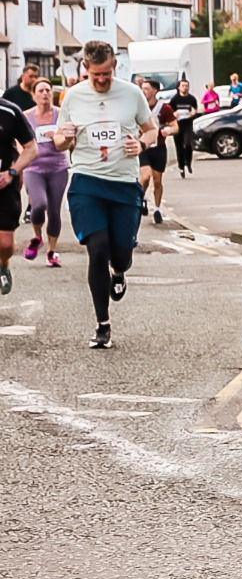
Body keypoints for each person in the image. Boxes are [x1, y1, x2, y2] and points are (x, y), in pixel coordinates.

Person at [54, 39, 157, 349]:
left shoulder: (132, 93)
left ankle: (119, 270)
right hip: (87, 181)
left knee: (121, 253)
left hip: (124, 183)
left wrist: (141, 144)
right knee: (97, 248)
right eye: (95, 74)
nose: (100, 80)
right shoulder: (73, 95)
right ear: (86, 68)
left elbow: (150, 129)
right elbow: (59, 140)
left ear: (115, 67)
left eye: (106, 74)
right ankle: (102, 324)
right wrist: (64, 138)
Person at [22, 78, 68, 268]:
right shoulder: (26, 117)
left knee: (55, 211)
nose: (45, 94)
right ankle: (37, 236)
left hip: (58, 167)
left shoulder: (61, 115)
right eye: (40, 91)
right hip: (34, 168)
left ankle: (52, 251)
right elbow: (19, 141)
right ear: (33, 95)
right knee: (39, 205)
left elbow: (69, 140)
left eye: (48, 90)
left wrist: (59, 137)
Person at [0, 96, 39, 295]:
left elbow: (31, 148)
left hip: (4, 184)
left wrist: (12, 173)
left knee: (5, 244)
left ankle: (3, 264)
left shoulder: (10, 111)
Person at [137, 78, 179, 224]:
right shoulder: (138, 107)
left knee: (157, 180)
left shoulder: (164, 108)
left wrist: (169, 130)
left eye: (147, 88)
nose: (144, 91)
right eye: (142, 88)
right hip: (143, 147)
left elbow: (175, 126)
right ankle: (140, 199)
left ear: (155, 91)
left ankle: (157, 208)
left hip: (159, 148)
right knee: (145, 176)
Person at [169, 79, 200, 178]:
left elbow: (195, 110)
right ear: (179, 87)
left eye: (186, 86)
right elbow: (170, 112)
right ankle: (181, 167)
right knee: (179, 147)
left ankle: (188, 163)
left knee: (187, 144)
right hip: (177, 125)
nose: (185, 87)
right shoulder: (174, 99)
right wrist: (174, 114)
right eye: (183, 86)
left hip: (188, 124)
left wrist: (193, 113)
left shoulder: (191, 99)